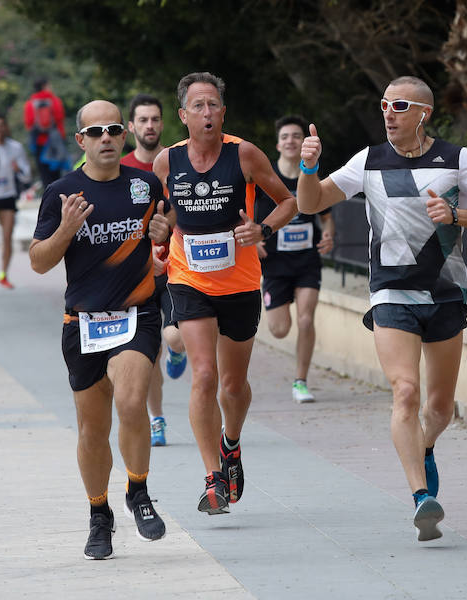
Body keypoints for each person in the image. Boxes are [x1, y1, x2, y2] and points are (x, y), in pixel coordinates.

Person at [296, 76, 467, 542]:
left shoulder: (456, 160)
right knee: (406, 392)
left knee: (438, 407)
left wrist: (457, 215)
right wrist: (308, 166)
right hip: (391, 292)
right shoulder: (367, 161)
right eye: (383, 105)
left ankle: (426, 444)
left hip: (446, 293)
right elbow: (309, 202)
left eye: (398, 105)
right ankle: (421, 497)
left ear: (423, 113)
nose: (388, 113)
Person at [149, 72, 297, 516]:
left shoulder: (244, 154)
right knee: (205, 376)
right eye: (198, 106)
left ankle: (231, 443)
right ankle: (214, 477)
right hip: (188, 279)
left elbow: (288, 201)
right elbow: (159, 216)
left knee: (232, 386)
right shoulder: (165, 162)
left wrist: (263, 227)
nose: (207, 113)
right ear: (183, 115)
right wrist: (158, 239)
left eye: (213, 105)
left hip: (240, 282)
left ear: (223, 112)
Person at [29, 100, 167, 560]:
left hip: (137, 315)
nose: (105, 137)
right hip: (83, 323)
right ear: (81, 140)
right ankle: (99, 514)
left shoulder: (145, 186)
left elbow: (164, 235)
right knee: (93, 427)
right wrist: (66, 229)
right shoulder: (63, 193)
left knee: (132, 400)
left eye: (113, 129)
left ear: (123, 135)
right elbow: (39, 262)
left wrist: (164, 232)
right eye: (96, 131)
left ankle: (138, 491)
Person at [120, 93, 187, 447]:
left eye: (155, 119)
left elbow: (187, 205)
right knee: (149, 354)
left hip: (175, 267)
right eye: (142, 120)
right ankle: (157, 419)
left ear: (163, 123)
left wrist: (165, 225)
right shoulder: (123, 168)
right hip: (138, 274)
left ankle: (179, 350)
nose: (149, 126)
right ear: (131, 127)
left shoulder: (175, 161)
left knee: (173, 337)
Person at [255, 115, 335, 403]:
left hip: (306, 261)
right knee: (279, 330)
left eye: (297, 136)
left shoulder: (310, 175)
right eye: (286, 136)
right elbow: (248, 217)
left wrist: (328, 235)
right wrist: (254, 242)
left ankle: (300, 381)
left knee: (305, 319)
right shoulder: (266, 177)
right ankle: (272, 300)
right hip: (274, 263)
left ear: (303, 143)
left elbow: (326, 217)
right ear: (278, 143)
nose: (291, 141)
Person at [0, 114, 32, 288]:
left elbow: (27, 174)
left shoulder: (16, 148)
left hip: (7, 196)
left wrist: (18, 169)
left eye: (1, 126)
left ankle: (3, 274)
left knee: (7, 238)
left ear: (5, 128)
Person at [24, 78, 67, 188]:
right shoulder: (55, 101)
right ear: (45, 86)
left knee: (44, 175)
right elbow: (60, 118)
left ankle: (48, 198)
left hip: (39, 144)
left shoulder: (30, 104)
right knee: (57, 174)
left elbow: (29, 124)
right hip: (55, 142)